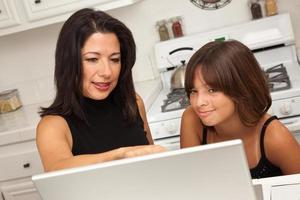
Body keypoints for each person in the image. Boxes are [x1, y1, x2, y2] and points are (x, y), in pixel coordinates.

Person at [36, 8, 165, 172]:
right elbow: (57, 169)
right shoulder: (53, 126)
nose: (107, 72)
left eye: (114, 59)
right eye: (92, 59)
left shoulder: (133, 102)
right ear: (69, 62)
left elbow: (152, 165)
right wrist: (120, 155)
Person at [180, 40, 300, 179]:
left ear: (240, 87)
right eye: (194, 91)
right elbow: (191, 181)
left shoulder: (275, 137)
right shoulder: (192, 119)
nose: (199, 102)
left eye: (212, 90)